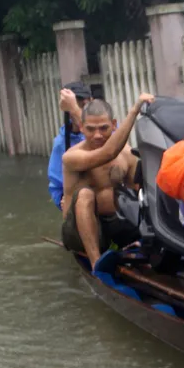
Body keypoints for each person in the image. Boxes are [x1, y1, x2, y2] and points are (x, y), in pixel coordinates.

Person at [61, 93, 154, 268]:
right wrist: (134, 111)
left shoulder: (127, 154)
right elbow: (108, 153)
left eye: (103, 128)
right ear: (81, 127)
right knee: (86, 195)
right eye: (90, 129)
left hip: (114, 227)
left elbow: (140, 196)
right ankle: (97, 264)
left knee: (141, 195)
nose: (97, 135)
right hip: (78, 235)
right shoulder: (71, 157)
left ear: (113, 125)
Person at [48, 81, 93, 210]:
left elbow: (107, 151)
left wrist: (75, 109)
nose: (81, 110)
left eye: (85, 105)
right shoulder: (61, 143)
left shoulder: (106, 128)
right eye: (77, 105)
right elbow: (56, 186)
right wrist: (62, 200)